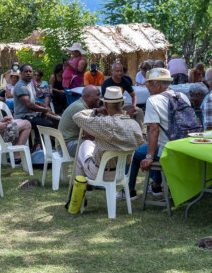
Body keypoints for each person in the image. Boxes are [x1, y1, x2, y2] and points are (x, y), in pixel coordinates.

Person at [124, 68, 193, 200]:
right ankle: (156, 185)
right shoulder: (182, 96)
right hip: (185, 146)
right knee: (154, 148)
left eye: (149, 84)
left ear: (158, 84)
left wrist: (149, 156)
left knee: (135, 152)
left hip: (168, 149)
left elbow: (154, 130)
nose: (147, 87)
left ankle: (129, 190)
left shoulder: (154, 100)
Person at [73, 87, 144, 182]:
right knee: (89, 144)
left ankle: (79, 188)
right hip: (121, 172)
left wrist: (96, 111)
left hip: (100, 173)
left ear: (105, 105)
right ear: (122, 103)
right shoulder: (134, 124)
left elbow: (76, 117)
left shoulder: (105, 123)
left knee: (84, 146)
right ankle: (83, 186)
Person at [13, 64, 59, 141]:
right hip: (24, 116)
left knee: (55, 120)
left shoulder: (30, 83)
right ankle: (39, 146)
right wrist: (45, 109)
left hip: (32, 114)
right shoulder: (20, 86)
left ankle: (50, 144)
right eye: (26, 71)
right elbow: (29, 105)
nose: (28, 73)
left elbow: (32, 101)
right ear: (21, 73)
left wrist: (42, 105)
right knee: (49, 124)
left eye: (30, 71)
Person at [58, 85, 101, 157]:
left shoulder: (81, 105)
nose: (100, 98)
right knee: (100, 146)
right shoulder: (81, 108)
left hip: (68, 144)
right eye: (98, 95)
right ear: (88, 97)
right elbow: (88, 136)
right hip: (67, 146)